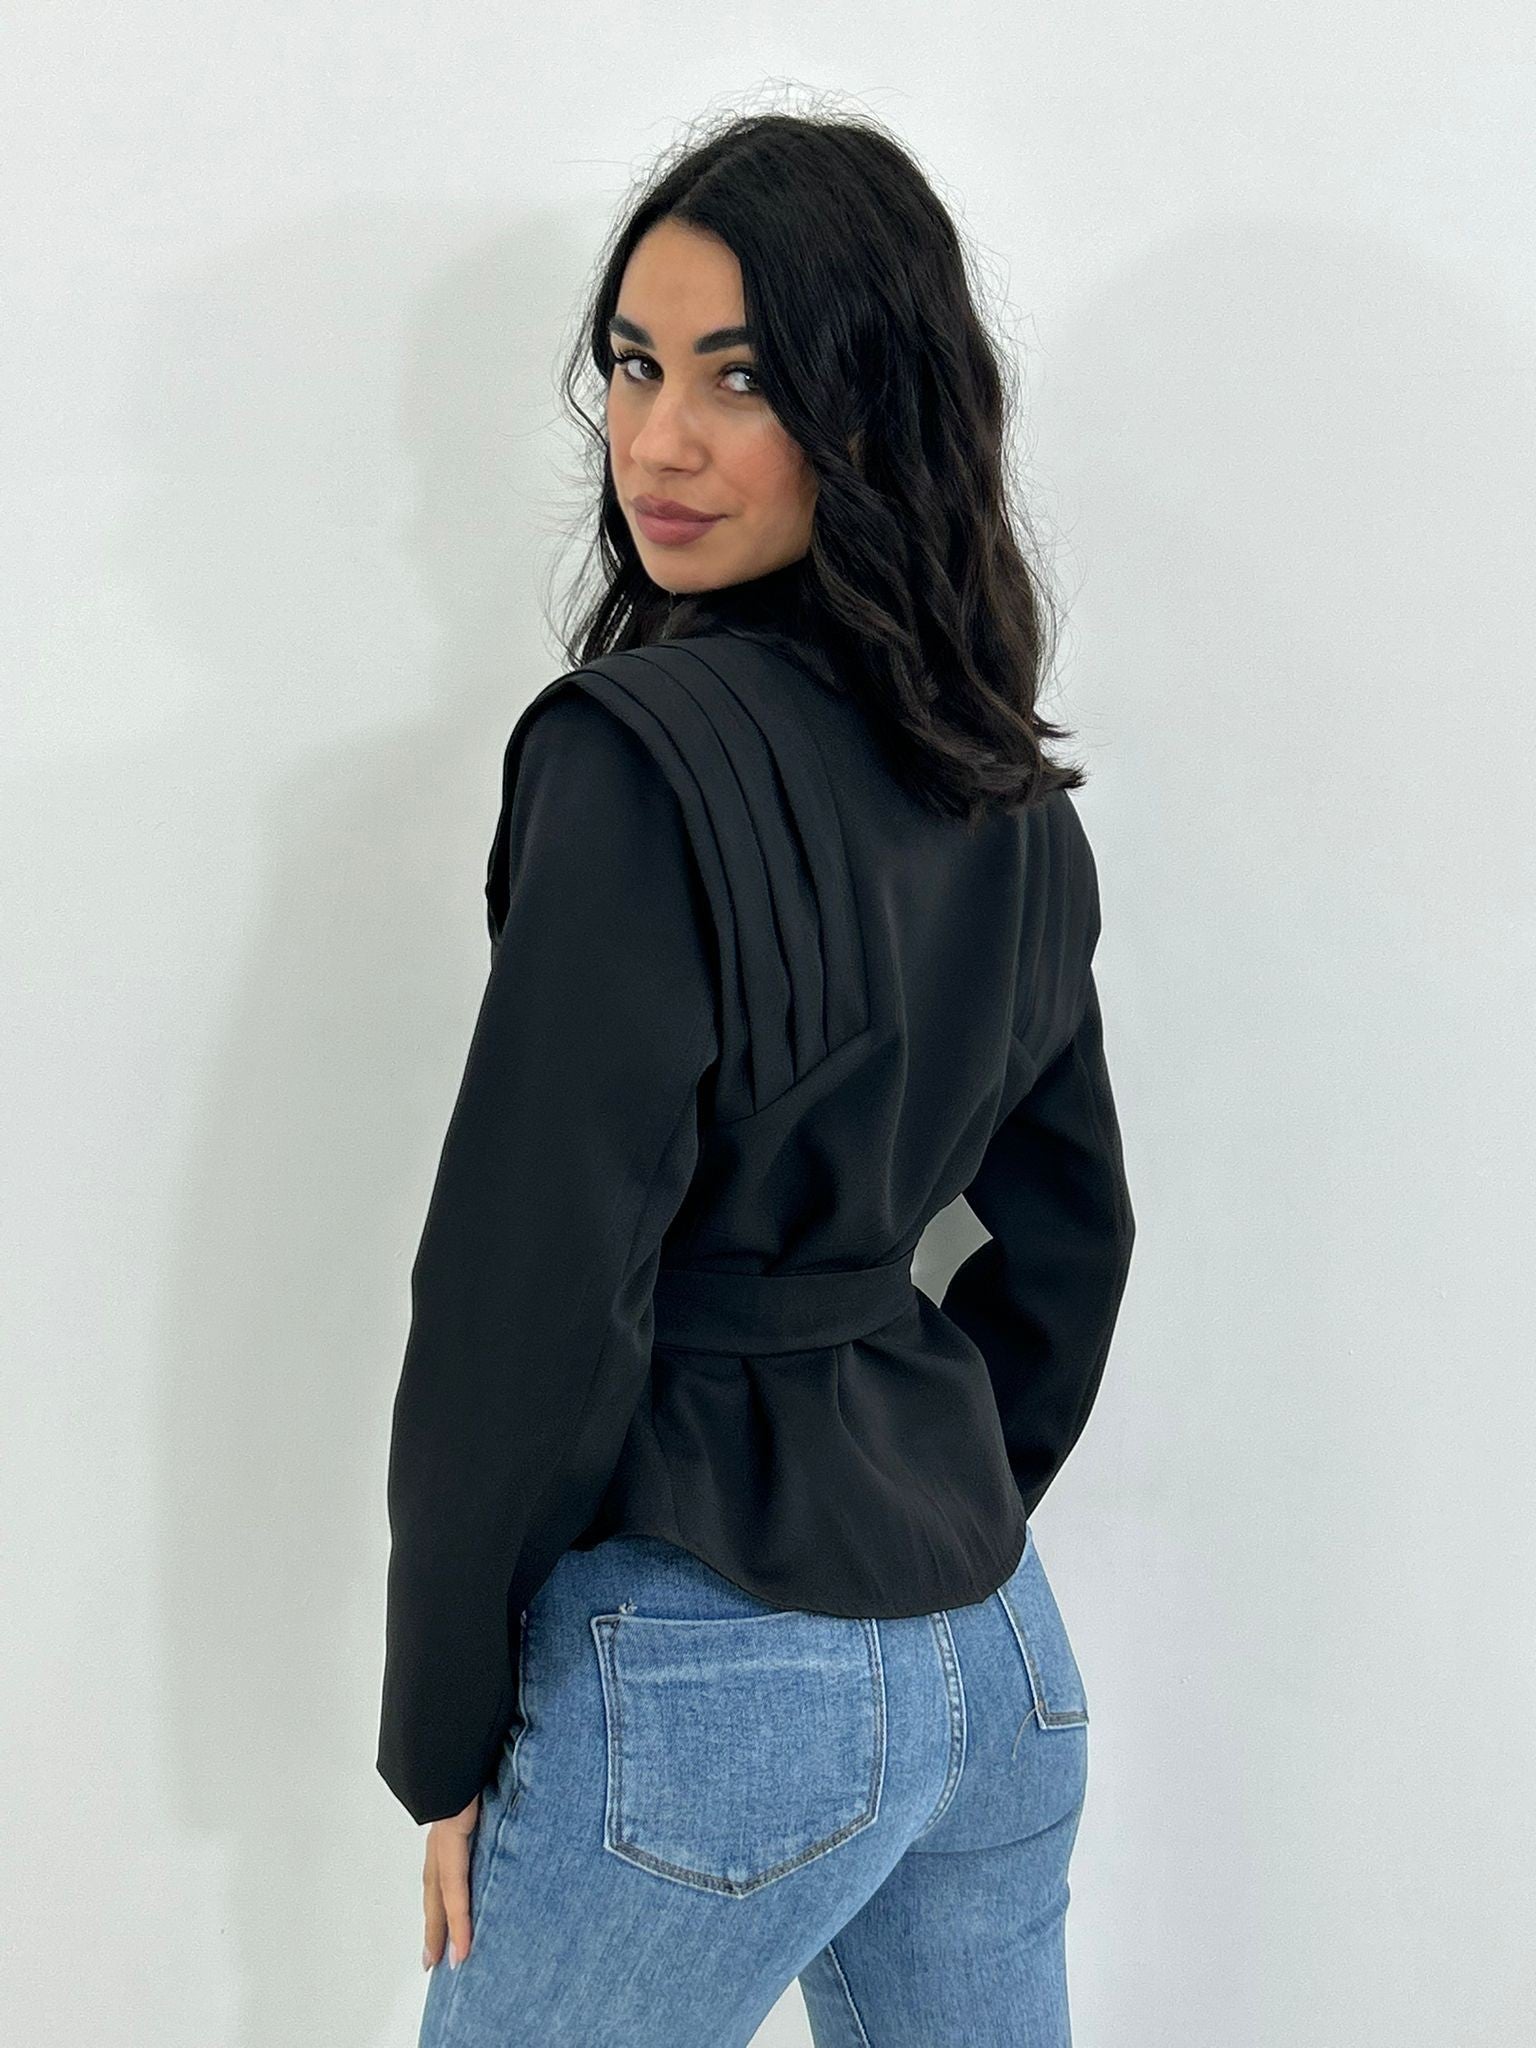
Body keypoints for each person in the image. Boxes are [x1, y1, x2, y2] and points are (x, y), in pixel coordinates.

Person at [377, 106, 1136, 2048]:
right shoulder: (1008, 790)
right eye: (635, 368)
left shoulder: (631, 756)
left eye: (741, 379)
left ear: (872, 409)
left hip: (709, 1674)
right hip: (995, 1659)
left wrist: (439, 1727)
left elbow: (526, 1289)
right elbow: (1073, 1248)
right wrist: (935, 1506)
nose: (657, 443)